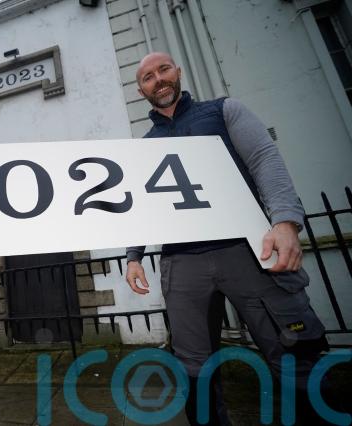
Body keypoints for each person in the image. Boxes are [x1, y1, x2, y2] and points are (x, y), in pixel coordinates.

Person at [125, 52, 330, 425]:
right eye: (148, 77)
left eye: (164, 69)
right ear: (141, 90)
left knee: (293, 353)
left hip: (249, 250)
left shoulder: (224, 111)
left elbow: (264, 159)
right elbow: (142, 204)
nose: (159, 79)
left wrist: (285, 221)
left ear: (178, 72)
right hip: (182, 262)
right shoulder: (143, 147)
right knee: (193, 366)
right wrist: (134, 255)